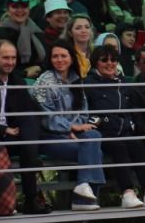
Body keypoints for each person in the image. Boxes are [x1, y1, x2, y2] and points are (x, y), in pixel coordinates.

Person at [83, 44, 145, 208]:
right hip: (102, 133)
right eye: (104, 60)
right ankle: (127, 192)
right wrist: (106, 122)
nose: (109, 63)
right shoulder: (88, 84)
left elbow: (129, 111)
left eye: (113, 60)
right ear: (95, 63)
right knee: (119, 147)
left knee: (137, 145)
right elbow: (89, 114)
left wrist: (128, 124)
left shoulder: (122, 82)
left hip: (124, 131)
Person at [0, 40, 50, 213]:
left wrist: (17, 128)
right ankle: (31, 199)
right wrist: (3, 129)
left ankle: (31, 199)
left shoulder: (18, 81)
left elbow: (27, 110)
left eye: (13, 58)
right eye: (5, 58)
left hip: (15, 137)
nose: (10, 62)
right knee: (29, 143)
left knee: (30, 121)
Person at [31, 39, 104, 210]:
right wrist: (69, 128)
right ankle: (84, 198)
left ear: (71, 58)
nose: (59, 59)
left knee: (94, 135)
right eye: (55, 56)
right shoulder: (44, 81)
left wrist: (75, 129)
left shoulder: (76, 79)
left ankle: (83, 188)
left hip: (74, 135)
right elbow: (45, 116)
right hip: (50, 137)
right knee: (94, 150)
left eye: (63, 55)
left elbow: (83, 113)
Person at [0, 0, 46, 78]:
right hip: (12, 79)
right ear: (7, 10)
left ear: (29, 10)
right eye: (15, 7)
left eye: (24, 7)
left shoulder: (37, 31)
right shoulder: (1, 33)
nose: (20, 10)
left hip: (39, 76)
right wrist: (24, 73)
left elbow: (47, 59)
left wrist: (39, 68)